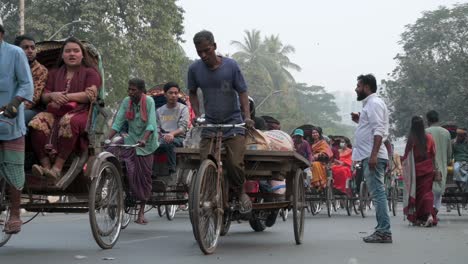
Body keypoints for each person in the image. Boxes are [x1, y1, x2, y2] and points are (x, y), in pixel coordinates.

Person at [188, 30, 254, 213]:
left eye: (207, 50)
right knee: (205, 161)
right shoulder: (194, 69)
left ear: (214, 47)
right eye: (199, 51)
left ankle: (240, 192)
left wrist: (246, 117)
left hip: (232, 123)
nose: (203, 55)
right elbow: (192, 92)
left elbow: (242, 91)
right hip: (210, 124)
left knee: (234, 163)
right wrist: (197, 114)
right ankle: (208, 194)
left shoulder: (231, 66)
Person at [29, 37, 101, 181]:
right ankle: (46, 166)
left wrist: (67, 97)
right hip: (54, 111)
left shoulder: (91, 73)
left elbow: (90, 95)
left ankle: (57, 168)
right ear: (62, 55)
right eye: (68, 51)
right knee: (36, 123)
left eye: (76, 51)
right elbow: (43, 96)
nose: (72, 54)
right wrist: (53, 95)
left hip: (79, 112)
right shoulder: (54, 73)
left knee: (69, 122)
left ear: (82, 54)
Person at [106, 78, 158, 224]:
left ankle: (141, 213)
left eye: (133, 90)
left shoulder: (149, 101)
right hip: (131, 139)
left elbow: (151, 124)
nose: (130, 92)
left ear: (141, 91)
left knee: (144, 179)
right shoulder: (126, 101)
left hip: (146, 144)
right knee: (112, 150)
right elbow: (118, 122)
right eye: (129, 89)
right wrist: (107, 139)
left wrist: (144, 139)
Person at [0, 24, 34, 234]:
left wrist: (16, 102)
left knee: (13, 168)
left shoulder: (15, 53)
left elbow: (26, 84)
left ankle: (15, 213)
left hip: (10, 119)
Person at [351, 74, 392, 243]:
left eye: (359, 86)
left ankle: (384, 231)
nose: (356, 89)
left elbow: (378, 130)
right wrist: (360, 120)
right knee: (377, 194)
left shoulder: (374, 104)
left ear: (367, 87)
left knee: (378, 194)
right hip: (369, 154)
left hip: (372, 155)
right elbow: (372, 127)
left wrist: (374, 155)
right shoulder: (371, 104)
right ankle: (382, 230)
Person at [402, 116, 438, 227]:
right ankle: (429, 215)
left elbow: (407, 155)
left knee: (417, 195)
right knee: (427, 193)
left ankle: (421, 217)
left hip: (415, 171)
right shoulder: (429, 137)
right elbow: (433, 154)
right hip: (428, 169)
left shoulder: (412, 139)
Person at [155, 82, 189, 174]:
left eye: (176, 93)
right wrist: (158, 136)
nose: (173, 95)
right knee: (152, 145)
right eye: (170, 93)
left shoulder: (183, 108)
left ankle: (171, 171)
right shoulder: (159, 111)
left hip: (179, 138)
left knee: (169, 142)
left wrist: (171, 134)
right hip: (163, 137)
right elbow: (157, 127)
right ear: (165, 94)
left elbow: (183, 128)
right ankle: (152, 173)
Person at [14, 35, 48, 125]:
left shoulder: (40, 70)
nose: (30, 51)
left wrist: (11, 108)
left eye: (33, 48)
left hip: (31, 108)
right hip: (8, 104)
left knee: (16, 118)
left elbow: (32, 99)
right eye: (25, 48)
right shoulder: (8, 65)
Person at [425, 110, 452, 220]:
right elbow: (449, 152)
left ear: (428, 120)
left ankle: (430, 212)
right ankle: (435, 212)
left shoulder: (426, 132)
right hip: (442, 165)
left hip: (428, 165)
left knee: (429, 189)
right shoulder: (446, 133)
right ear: (438, 119)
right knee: (439, 191)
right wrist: (447, 161)